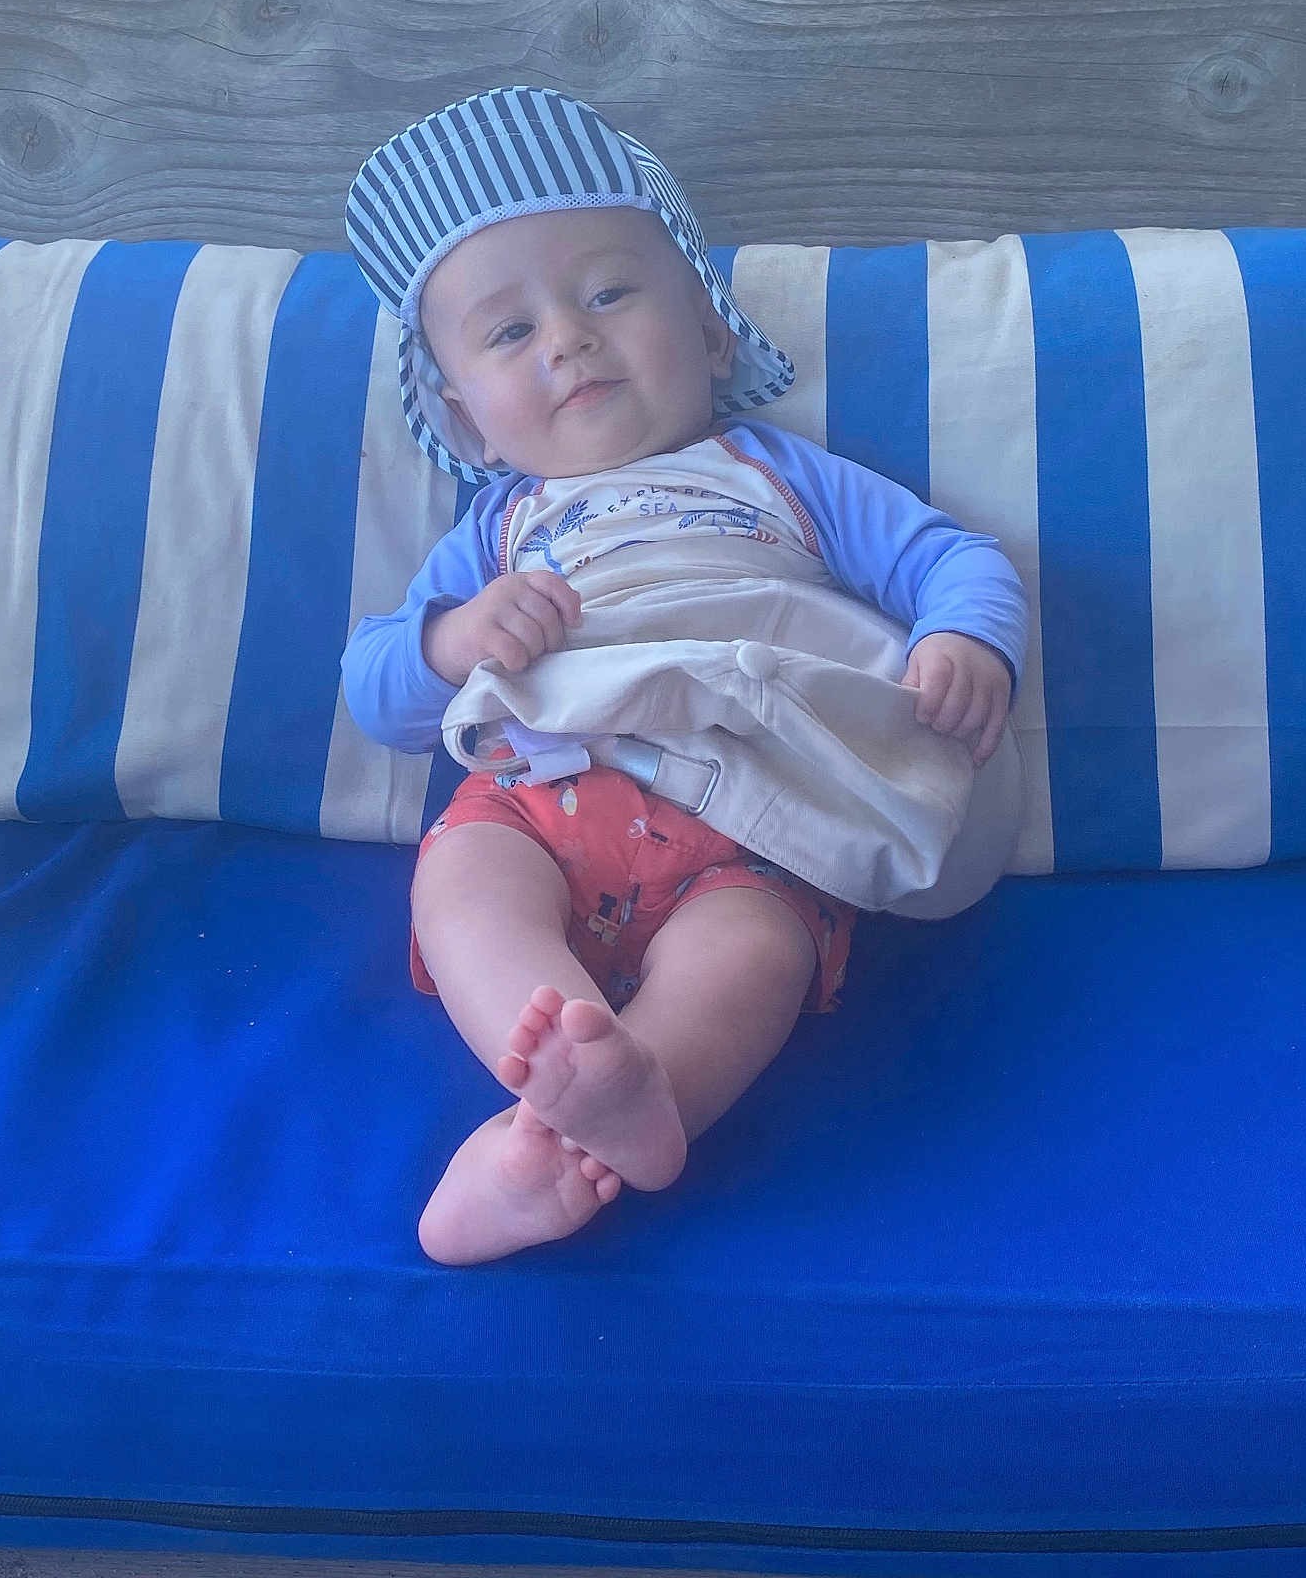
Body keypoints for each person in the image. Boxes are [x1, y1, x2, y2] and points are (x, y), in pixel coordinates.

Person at [342, 87, 1027, 1267]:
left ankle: (635, 1099)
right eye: (510, 334)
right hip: (540, 796)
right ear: (466, 419)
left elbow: (947, 557)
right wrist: (454, 642)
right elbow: (377, 693)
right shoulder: (500, 533)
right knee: (463, 888)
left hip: (752, 812)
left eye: (610, 292)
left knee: (756, 952)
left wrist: (964, 638)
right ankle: (569, 1078)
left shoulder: (779, 476)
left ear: (710, 331)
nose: (568, 338)